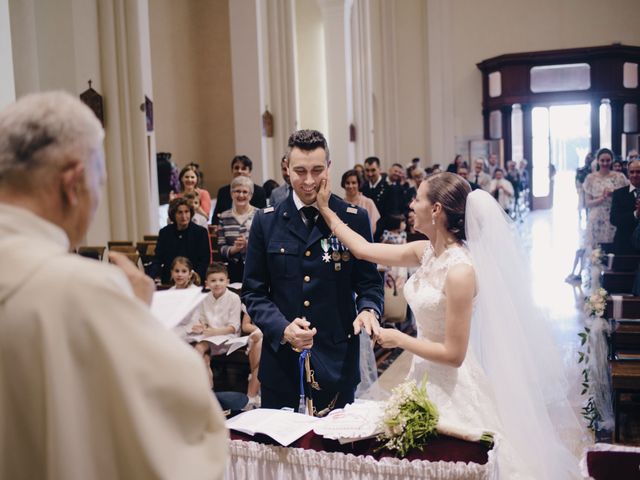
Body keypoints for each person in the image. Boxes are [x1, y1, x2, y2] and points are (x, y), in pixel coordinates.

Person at [0, 91, 227, 479]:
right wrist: (137, 316)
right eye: (99, 184)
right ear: (73, 184)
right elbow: (184, 428)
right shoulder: (82, 292)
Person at [316, 171, 585, 479]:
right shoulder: (425, 252)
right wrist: (326, 210)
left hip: (453, 386)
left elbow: (454, 354)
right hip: (422, 375)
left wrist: (399, 340)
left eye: (417, 198)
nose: (411, 204)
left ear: (436, 209)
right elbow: (364, 250)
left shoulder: (460, 272)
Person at [242, 129, 384, 414]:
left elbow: (370, 284)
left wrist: (368, 309)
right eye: (300, 171)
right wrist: (282, 328)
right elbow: (253, 292)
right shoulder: (265, 222)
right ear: (286, 167)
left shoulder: (353, 219)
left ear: (329, 168)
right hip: (281, 362)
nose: (308, 181)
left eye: (317, 170)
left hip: (335, 359)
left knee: (335, 455)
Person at [152, 197, 211, 284]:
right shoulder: (165, 232)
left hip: (194, 281)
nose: (184, 216)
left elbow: (204, 261)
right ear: (173, 214)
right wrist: (152, 277)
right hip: (170, 280)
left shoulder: (200, 232)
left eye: (187, 212)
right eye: (180, 212)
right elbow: (158, 259)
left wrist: (193, 278)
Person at [583, 148, 629, 250]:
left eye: (608, 160)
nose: (605, 163)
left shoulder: (620, 177)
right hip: (596, 218)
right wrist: (602, 198)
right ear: (598, 161)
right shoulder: (590, 178)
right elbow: (587, 203)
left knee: (614, 249)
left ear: (612, 160)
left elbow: (626, 198)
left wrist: (615, 194)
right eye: (602, 160)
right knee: (598, 253)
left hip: (615, 216)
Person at [217, 175, 257, 283]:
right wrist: (234, 249)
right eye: (237, 191)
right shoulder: (224, 217)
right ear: (231, 194)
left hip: (255, 267)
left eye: (245, 192)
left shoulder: (259, 215)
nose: (241, 195)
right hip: (231, 269)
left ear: (251, 195)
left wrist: (248, 245)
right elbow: (221, 248)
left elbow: (265, 243)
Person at [211, 155, 267, 225]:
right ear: (232, 170)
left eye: (243, 168)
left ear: (250, 172)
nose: (239, 171)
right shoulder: (223, 191)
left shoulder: (259, 192)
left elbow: (264, 217)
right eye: (236, 168)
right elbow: (215, 219)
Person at [610, 159, 640, 254]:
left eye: (638, 172)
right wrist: (635, 214)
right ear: (628, 174)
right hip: (625, 246)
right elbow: (614, 219)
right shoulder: (619, 194)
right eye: (632, 172)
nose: (635, 175)